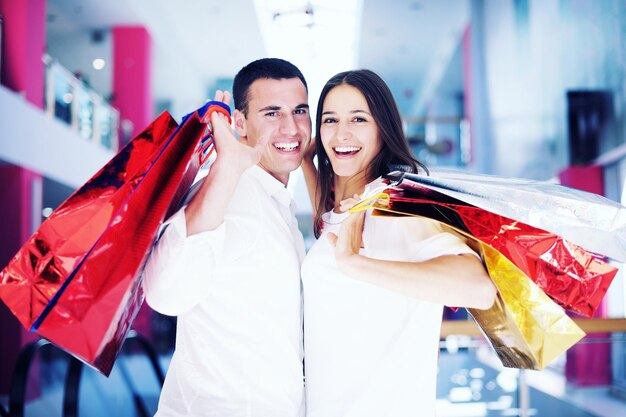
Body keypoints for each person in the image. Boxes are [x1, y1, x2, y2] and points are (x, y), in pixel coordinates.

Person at [301, 69, 496, 417]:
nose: (341, 133)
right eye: (330, 120)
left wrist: (354, 264)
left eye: (358, 119)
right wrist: (304, 160)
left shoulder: (400, 207)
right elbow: (330, 213)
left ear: (382, 128)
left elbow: (478, 289)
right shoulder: (341, 211)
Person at [142, 58, 312, 417]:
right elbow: (165, 293)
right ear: (239, 123)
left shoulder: (276, 202)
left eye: (299, 110)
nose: (291, 128)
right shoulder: (228, 192)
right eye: (271, 113)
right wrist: (227, 168)